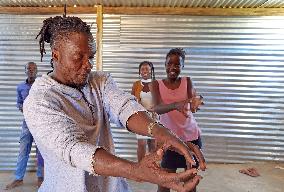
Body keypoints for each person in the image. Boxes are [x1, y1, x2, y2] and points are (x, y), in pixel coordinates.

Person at [23, 15, 206, 192]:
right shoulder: (40, 101)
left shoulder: (99, 81)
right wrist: (137, 171)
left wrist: (163, 133)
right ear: (56, 55)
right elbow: (73, 148)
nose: (88, 65)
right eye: (79, 57)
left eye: (91, 56)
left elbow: (125, 107)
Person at [151, 48, 206, 192]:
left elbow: (194, 102)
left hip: (191, 138)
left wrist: (198, 101)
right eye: (170, 64)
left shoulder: (187, 81)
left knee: (190, 183)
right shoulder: (156, 84)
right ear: (165, 64)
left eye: (177, 65)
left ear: (182, 66)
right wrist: (176, 105)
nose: (173, 68)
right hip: (170, 141)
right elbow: (157, 108)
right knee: (165, 184)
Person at [5, 62, 44, 190]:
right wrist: (22, 107)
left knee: (41, 152)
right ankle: (18, 178)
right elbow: (18, 102)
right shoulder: (20, 87)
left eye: (33, 69)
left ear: (37, 71)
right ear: (25, 71)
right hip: (27, 124)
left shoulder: (41, 85)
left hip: (40, 123)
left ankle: (41, 177)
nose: (31, 71)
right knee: (23, 151)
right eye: (28, 68)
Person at [131, 61, 157, 162]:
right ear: (139, 72)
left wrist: (155, 109)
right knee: (141, 144)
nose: (145, 71)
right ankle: (140, 168)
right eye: (142, 69)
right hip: (141, 117)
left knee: (153, 145)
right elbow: (132, 101)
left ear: (151, 71)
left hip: (154, 118)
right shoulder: (136, 85)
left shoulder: (156, 84)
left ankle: (152, 167)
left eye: (147, 69)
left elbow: (161, 102)